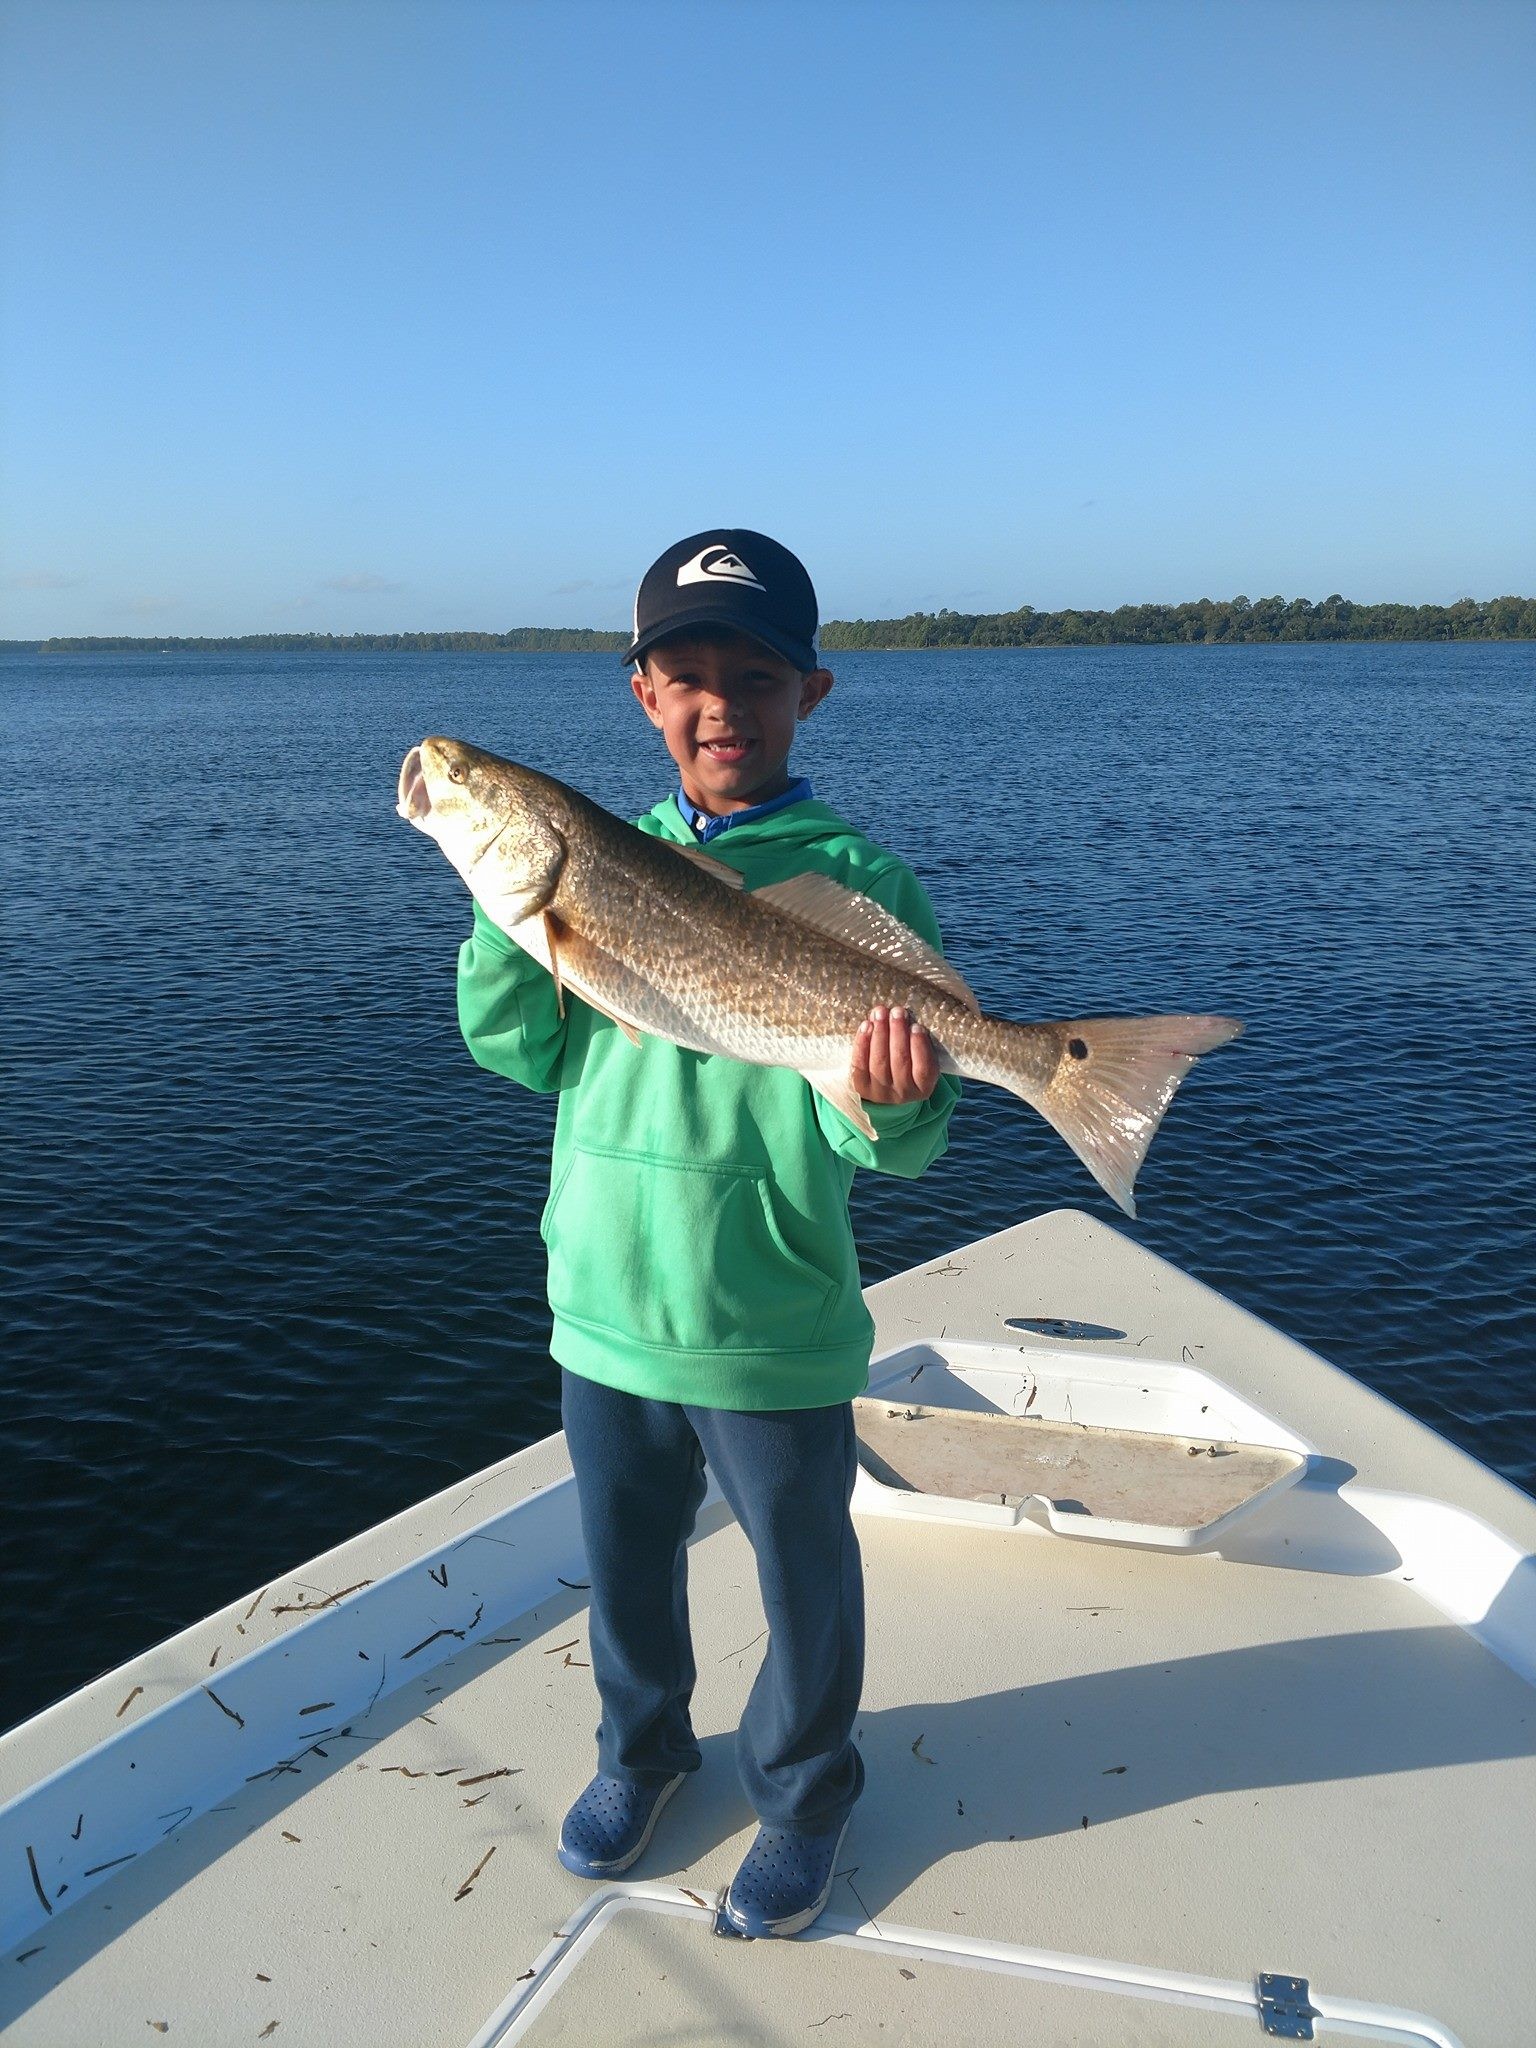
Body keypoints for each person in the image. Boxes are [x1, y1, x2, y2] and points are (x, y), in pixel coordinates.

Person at [456, 528, 960, 1937]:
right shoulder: (587, 866)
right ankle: (644, 1755)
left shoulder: (862, 884)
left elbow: (902, 1144)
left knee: (805, 1583)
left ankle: (807, 1795)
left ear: (813, 693)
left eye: (755, 674)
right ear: (641, 694)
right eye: (686, 674)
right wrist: (512, 920)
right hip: (606, 1301)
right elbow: (523, 1056)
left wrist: (889, 1101)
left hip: (775, 1312)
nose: (719, 702)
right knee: (624, 1572)